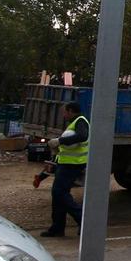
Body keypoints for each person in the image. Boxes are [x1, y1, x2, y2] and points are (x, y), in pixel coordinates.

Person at [41, 102, 90, 238]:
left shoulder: (80, 121)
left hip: (72, 165)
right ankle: (57, 228)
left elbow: (82, 136)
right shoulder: (75, 122)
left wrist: (60, 141)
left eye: (65, 112)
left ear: (71, 111)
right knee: (58, 195)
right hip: (66, 163)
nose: (63, 115)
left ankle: (83, 219)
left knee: (60, 194)